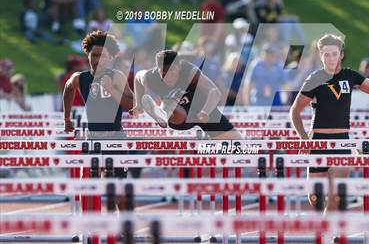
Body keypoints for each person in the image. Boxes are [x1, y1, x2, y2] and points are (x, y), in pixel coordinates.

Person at [289, 34, 369, 213]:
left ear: (341, 55)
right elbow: (295, 110)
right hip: (318, 141)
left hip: (342, 141)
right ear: (320, 56)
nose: (330, 58)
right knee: (316, 199)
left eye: (334, 54)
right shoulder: (315, 78)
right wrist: (303, 138)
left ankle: (332, 233)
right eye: (326, 54)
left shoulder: (350, 75)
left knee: (335, 195)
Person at [62, 30, 135, 181]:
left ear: (110, 58)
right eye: (94, 55)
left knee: (117, 191)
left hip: (115, 139)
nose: (98, 60)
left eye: (103, 56)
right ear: (87, 55)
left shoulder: (116, 77)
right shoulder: (79, 78)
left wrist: (112, 90)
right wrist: (66, 118)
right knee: (86, 183)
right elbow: (68, 89)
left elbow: (134, 107)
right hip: (92, 138)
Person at [130, 50, 242, 140]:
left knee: (238, 143)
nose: (168, 76)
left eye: (172, 70)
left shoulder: (190, 72)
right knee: (172, 105)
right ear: (157, 69)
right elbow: (137, 78)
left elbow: (214, 91)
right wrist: (138, 103)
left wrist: (205, 111)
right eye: (163, 71)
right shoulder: (150, 77)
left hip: (203, 109)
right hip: (178, 116)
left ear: (179, 66)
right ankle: (160, 115)